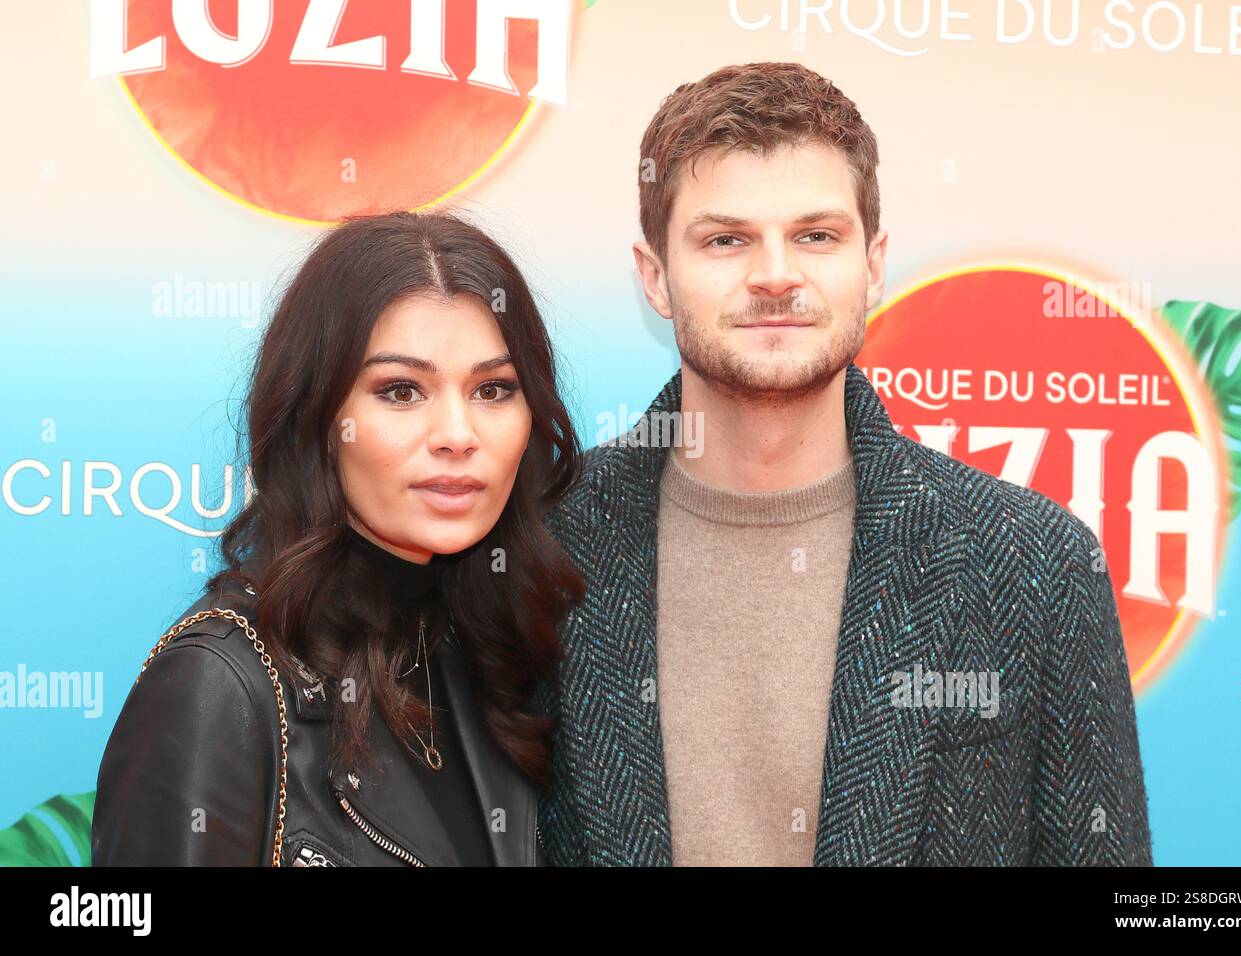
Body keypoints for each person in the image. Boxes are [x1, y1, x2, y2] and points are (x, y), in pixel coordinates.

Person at [535, 61, 1154, 866]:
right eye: (726, 240)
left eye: (815, 236)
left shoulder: (1036, 563)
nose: (775, 275)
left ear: (872, 263)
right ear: (654, 276)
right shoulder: (542, 547)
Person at [92, 209, 585, 866]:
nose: (458, 435)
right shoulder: (219, 687)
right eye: (402, 390)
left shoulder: (495, 654)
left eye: (494, 389)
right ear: (320, 416)